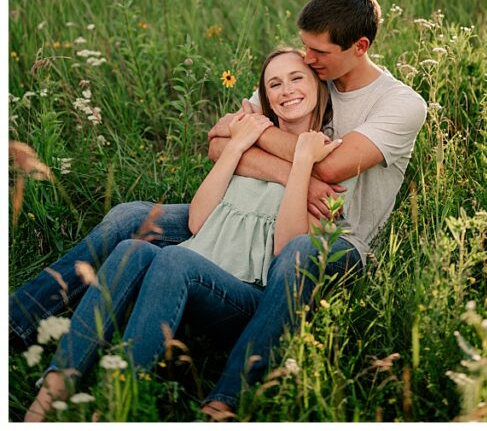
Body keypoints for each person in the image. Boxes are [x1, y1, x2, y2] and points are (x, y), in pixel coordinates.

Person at [11, 0, 428, 419]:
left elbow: (328, 168)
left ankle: (227, 395)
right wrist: (280, 158)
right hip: (246, 214)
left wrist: (259, 139)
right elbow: (218, 144)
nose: (307, 59)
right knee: (129, 218)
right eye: (304, 48)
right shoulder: (296, 78)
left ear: (359, 46)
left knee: (297, 251)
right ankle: (21, 321)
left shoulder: (398, 104)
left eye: (318, 53)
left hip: (336, 238)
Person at [26, 48, 341, 420]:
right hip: (191, 272)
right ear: (266, 96)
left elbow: (290, 249)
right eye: (275, 83)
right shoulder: (250, 143)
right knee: (132, 249)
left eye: (296, 78)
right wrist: (238, 143)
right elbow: (198, 221)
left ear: (319, 85)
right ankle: (54, 388)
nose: (286, 89)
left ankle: (118, 401)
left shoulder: (328, 158)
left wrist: (304, 160)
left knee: (176, 256)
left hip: (244, 297)